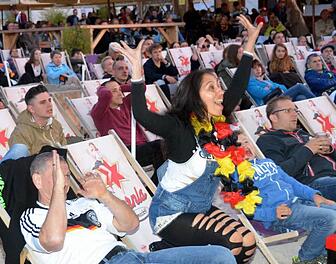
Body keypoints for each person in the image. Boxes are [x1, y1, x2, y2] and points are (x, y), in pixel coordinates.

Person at [114, 15, 261, 263]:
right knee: (233, 242)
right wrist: (138, 74)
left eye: (218, 86)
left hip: (201, 209)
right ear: (194, 97)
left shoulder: (217, 122)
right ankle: (169, 246)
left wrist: (249, 46)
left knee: (248, 241)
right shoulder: (180, 128)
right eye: (211, 88)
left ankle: (170, 250)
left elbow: (238, 85)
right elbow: (140, 114)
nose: (220, 92)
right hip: (170, 214)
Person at [20, 150, 237, 264]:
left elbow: (130, 224)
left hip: (135, 257)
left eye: (66, 176)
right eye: (58, 175)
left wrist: (104, 195)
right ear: (38, 180)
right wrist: (58, 190)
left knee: (220, 256)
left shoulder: (83, 203)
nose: (64, 181)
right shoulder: (32, 217)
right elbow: (54, 241)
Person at [238, 134, 336, 264]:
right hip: (281, 213)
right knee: (330, 218)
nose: (245, 146)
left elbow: (291, 182)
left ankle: (323, 255)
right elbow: (243, 207)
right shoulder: (236, 174)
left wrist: (314, 195)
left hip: (298, 201)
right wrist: (272, 213)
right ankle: (305, 259)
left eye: (246, 141)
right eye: (238, 145)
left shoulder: (267, 163)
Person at [256, 96, 336, 208]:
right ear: (273, 117)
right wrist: (308, 150)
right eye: (287, 111)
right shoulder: (268, 140)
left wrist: (330, 150)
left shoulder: (303, 134)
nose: (294, 114)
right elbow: (280, 173)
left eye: (295, 110)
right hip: (311, 183)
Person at [90, 79, 164, 184]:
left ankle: (155, 184)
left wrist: (120, 87)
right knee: (161, 147)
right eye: (114, 91)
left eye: (120, 90)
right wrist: (100, 89)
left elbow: (141, 87)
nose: (120, 94)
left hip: (141, 147)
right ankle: (157, 185)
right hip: (124, 151)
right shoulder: (99, 113)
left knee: (167, 147)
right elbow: (105, 95)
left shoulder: (125, 104)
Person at [4, 85, 66, 162]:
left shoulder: (56, 125)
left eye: (49, 100)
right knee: (20, 149)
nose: (49, 105)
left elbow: (65, 150)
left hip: (59, 168)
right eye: (43, 102)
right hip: (36, 171)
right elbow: (19, 165)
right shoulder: (21, 132)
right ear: (31, 109)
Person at [248, 59, 315, 105]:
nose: (258, 69)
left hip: (278, 97)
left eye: (259, 67)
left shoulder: (267, 81)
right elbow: (262, 94)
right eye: (254, 68)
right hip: (270, 102)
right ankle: (318, 102)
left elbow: (283, 88)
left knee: (300, 98)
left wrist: (270, 87)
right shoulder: (250, 83)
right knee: (299, 86)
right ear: (250, 71)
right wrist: (272, 86)